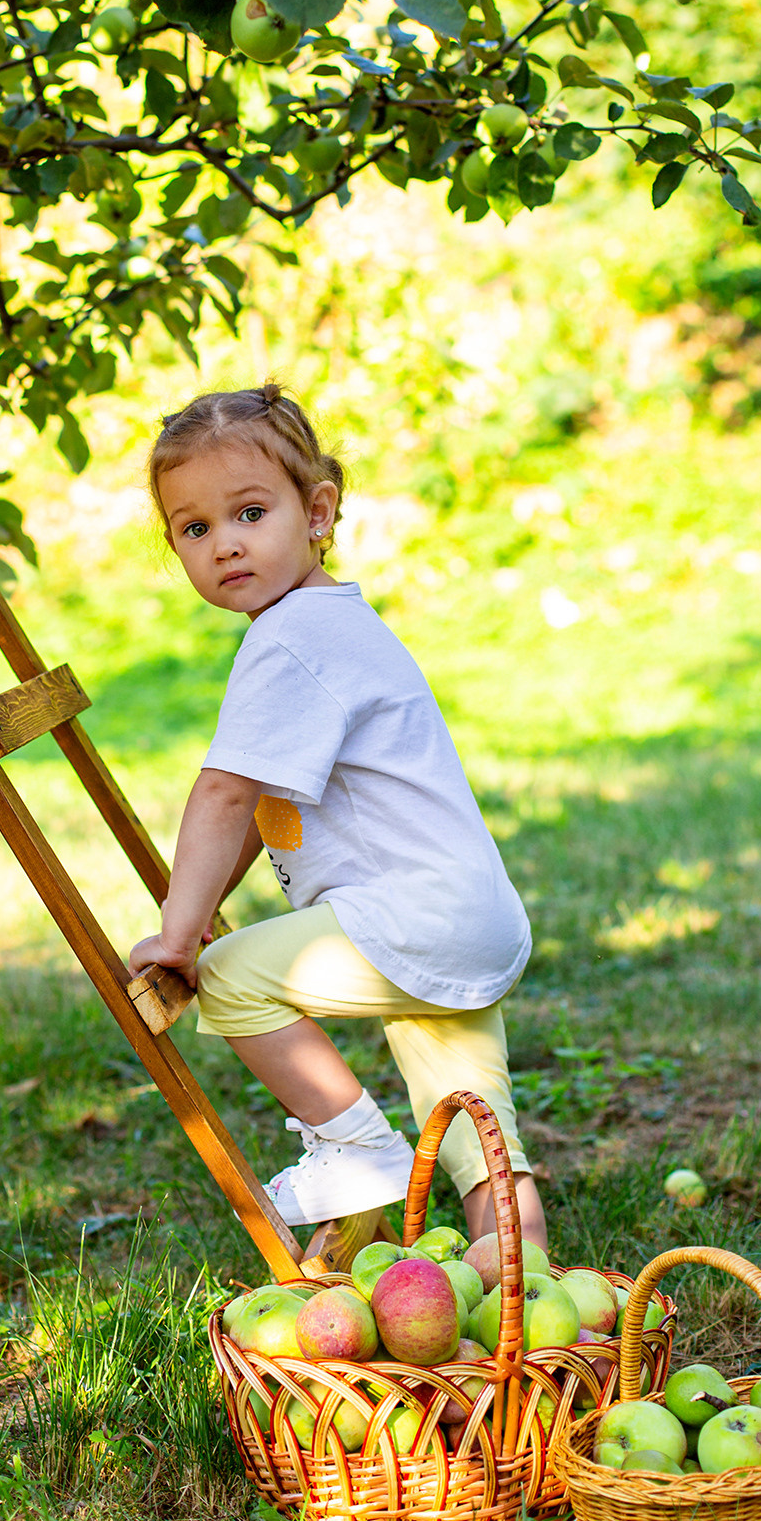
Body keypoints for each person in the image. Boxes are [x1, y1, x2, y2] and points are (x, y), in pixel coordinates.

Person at [129, 384, 547, 1249]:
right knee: (473, 1116)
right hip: (464, 912)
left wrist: (180, 935)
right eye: (195, 529)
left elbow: (225, 793)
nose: (226, 545)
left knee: (236, 981)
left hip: (411, 916)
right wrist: (199, 904)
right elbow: (263, 803)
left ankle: (358, 1151)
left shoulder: (287, 640)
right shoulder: (329, 621)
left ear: (317, 511)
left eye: (250, 512)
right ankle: (522, 1280)